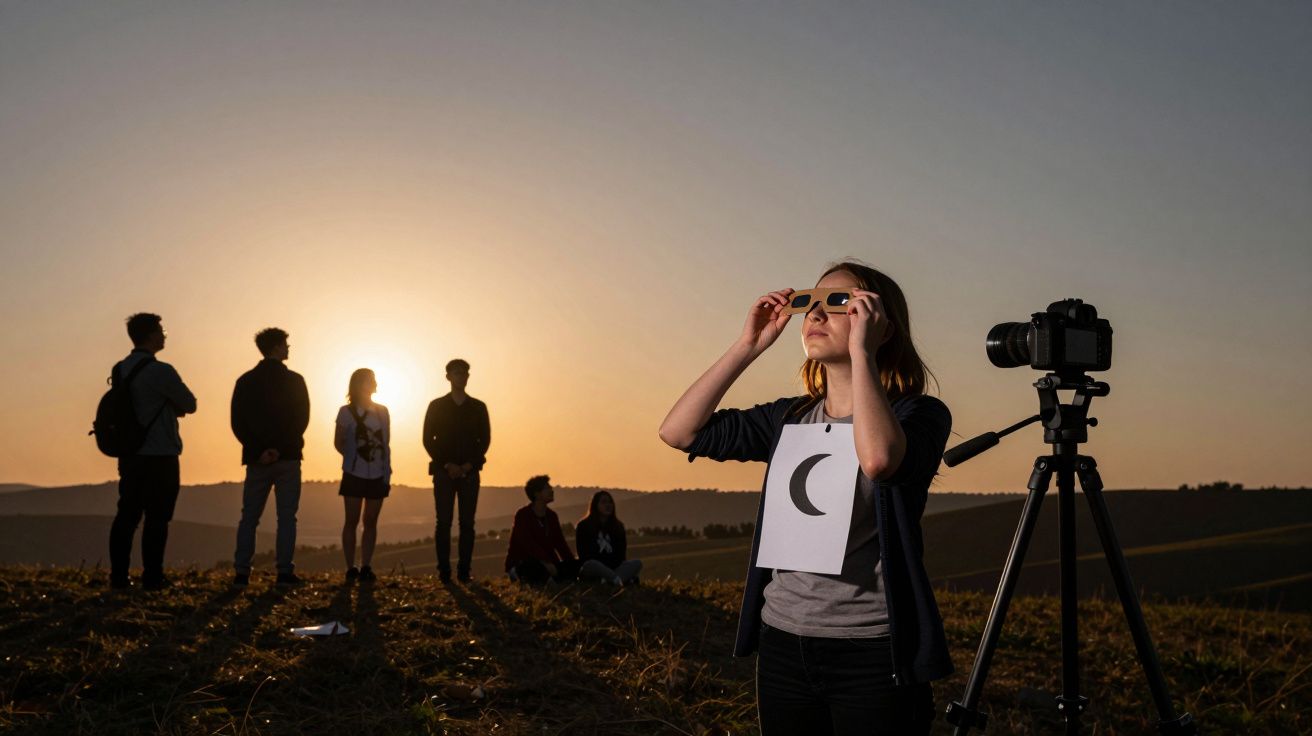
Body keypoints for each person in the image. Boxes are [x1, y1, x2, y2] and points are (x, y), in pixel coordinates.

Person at [658, 261, 952, 735]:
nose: (815, 313)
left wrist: (862, 353)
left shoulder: (919, 414)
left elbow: (879, 460)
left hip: (872, 649)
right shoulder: (788, 418)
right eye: (809, 302)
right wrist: (747, 346)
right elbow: (679, 431)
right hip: (784, 641)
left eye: (838, 302)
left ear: (880, 322)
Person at [108, 313, 197, 591]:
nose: (165, 335)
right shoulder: (162, 371)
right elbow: (190, 403)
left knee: (127, 515)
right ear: (150, 335)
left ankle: (119, 578)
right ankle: (152, 577)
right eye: (161, 330)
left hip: (131, 453)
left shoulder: (120, 368)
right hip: (161, 453)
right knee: (158, 518)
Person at [230, 327, 310, 587]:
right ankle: (284, 572)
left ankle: (242, 572)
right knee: (287, 516)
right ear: (276, 347)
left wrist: (259, 450)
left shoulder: (245, 381)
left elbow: (238, 422)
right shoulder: (295, 381)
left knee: (249, 516)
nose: (289, 348)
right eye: (286, 344)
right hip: (287, 458)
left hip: (257, 459)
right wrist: (279, 448)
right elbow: (301, 419)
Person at [422, 358, 491, 582]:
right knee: (443, 522)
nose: (461, 376)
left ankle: (464, 571)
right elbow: (427, 439)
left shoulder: (479, 407)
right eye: (457, 373)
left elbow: (485, 440)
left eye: (464, 373)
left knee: (467, 523)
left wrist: (468, 465)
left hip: (470, 473)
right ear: (448, 376)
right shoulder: (436, 406)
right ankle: (444, 571)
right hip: (444, 472)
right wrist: (447, 465)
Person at [335, 368, 391, 583]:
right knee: (351, 520)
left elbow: (386, 442)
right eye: (371, 380)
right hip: (354, 473)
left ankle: (366, 565)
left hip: (377, 473)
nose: (375, 383)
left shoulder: (382, 411)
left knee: (371, 521)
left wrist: (384, 468)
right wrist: (353, 459)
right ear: (360, 384)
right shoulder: (345, 412)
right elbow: (338, 441)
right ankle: (351, 567)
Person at [504, 475, 579, 584]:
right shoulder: (523, 515)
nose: (551, 491)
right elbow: (527, 543)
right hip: (525, 562)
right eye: (547, 488)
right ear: (536, 493)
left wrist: (572, 564)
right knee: (534, 568)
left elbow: (560, 544)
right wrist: (546, 562)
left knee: (574, 566)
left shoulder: (552, 516)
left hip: (549, 563)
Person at [575, 491, 642, 586]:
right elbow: (583, 555)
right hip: (593, 567)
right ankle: (618, 580)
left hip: (614, 567)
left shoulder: (618, 527)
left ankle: (609, 581)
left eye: (610, 502)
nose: (608, 505)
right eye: (603, 502)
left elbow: (621, 556)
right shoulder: (583, 526)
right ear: (595, 505)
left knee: (637, 563)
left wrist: (612, 567)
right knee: (591, 564)